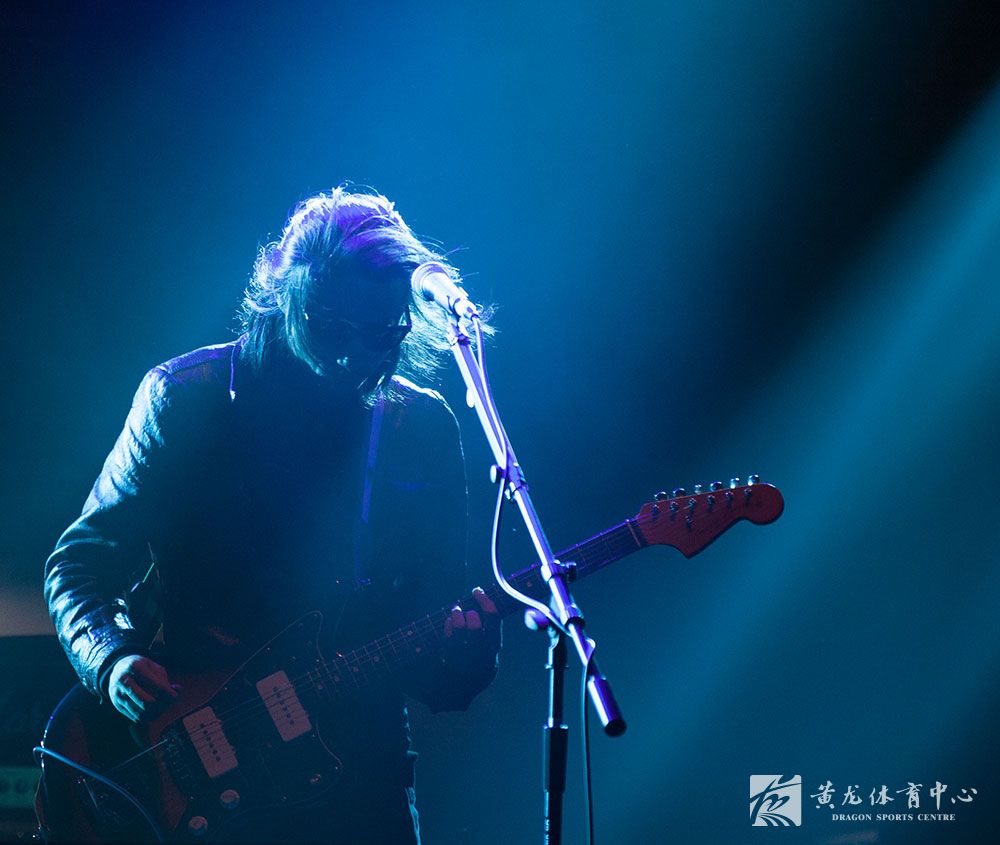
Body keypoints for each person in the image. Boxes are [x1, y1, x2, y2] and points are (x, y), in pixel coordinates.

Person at [43, 188, 501, 843]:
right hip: (199, 753)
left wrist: (469, 651)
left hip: (356, 783)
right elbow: (80, 565)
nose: (350, 355)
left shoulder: (421, 427)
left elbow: (437, 663)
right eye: (330, 326)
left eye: (379, 333)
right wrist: (110, 659)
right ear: (283, 293)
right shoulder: (185, 398)